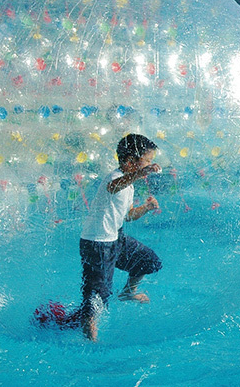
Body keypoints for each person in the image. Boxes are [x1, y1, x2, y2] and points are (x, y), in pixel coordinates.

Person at [77, 133, 163, 341]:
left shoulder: (130, 185)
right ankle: (91, 341)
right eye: (148, 161)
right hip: (97, 243)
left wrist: (146, 207)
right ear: (131, 161)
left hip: (116, 238)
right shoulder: (115, 178)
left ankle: (127, 292)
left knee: (148, 261)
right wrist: (141, 173)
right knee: (98, 297)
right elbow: (114, 187)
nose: (151, 165)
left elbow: (129, 215)